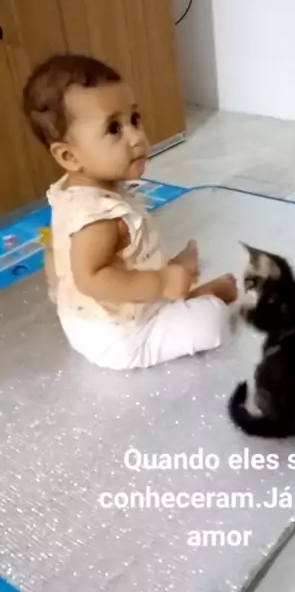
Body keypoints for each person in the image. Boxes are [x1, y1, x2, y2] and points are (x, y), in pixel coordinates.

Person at [22, 53, 237, 370]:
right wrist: (161, 283)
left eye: (134, 120)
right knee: (213, 322)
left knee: (146, 266)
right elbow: (92, 279)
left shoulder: (72, 193)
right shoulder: (97, 219)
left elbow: (55, 250)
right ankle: (198, 296)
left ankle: (171, 281)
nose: (136, 137)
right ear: (69, 156)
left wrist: (60, 291)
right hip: (123, 337)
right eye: (113, 129)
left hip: (89, 321)